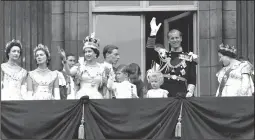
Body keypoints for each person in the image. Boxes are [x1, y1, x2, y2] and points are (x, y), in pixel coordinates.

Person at [146, 17, 197, 98]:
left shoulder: (188, 57)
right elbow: (149, 53)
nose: (174, 40)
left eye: (177, 38)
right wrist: (152, 34)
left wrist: (189, 93)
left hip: (182, 93)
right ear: (168, 40)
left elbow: (192, 79)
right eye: (172, 38)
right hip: (164, 94)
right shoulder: (163, 55)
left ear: (181, 39)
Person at [60, 33, 106, 99]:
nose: (87, 54)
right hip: (82, 97)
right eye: (85, 52)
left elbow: (104, 87)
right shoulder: (80, 66)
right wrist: (64, 60)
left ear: (95, 53)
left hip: (97, 97)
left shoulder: (101, 68)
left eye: (89, 51)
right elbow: (69, 73)